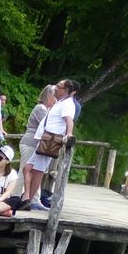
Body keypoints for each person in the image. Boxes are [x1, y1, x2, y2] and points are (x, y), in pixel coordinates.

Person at [25, 78, 78, 210]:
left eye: (58, 86)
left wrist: (69, 134)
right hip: (45, 138)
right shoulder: (60, 102)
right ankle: (26, 197)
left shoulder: (67, 104)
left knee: (38, 171)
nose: (55, 88)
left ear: (65, 90)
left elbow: (69, 120)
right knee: (28, 167)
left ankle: (29, 200)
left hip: (51, 140)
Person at [19, 84, 55, 197]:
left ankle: (34, 198)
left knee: (36, 172)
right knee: (23, 171)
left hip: (38, 145)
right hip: (30, 142)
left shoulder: (48, 110)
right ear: (49, 96)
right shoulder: (40, 109)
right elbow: (48, 125)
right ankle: (16, 196)